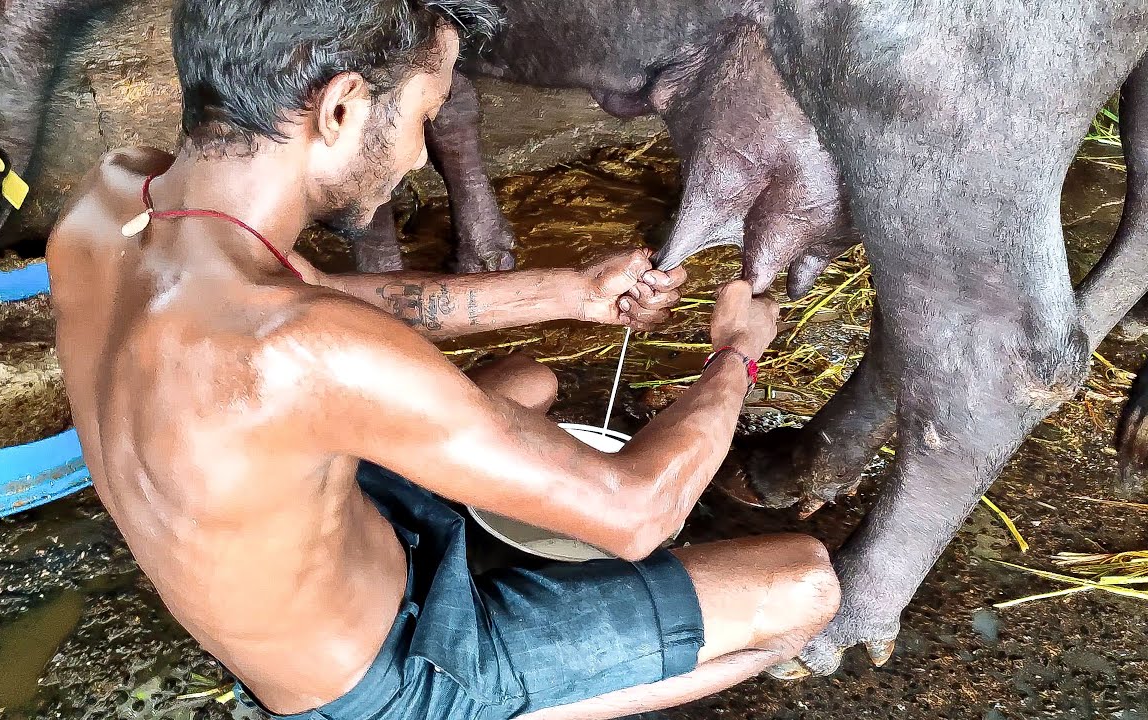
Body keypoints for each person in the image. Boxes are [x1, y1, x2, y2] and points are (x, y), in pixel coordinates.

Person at [46, 1, 841, 718]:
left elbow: (318, 292)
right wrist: (737, 355)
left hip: (326, 540)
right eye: (426, 114)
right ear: (341, 108)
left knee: (529, 382)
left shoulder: (113, 201)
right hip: (380, 677)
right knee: (804, 588)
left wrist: (568, 291)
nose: (422, 156)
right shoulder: (301, 350)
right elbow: (636, 514)